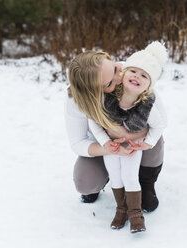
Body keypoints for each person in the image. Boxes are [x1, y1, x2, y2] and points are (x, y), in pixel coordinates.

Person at [65, 45, 165, 214]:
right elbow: (77, 143)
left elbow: (161, 121)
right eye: (110, 82)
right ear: (96, 93)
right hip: (104, 144)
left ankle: (146, 182)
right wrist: (107, 147)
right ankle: (104, 178)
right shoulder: (77, 102)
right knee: (85, 182)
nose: (120, 77)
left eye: (114, 68)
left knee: (156, 140)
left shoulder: (134, 71)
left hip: (138, 138)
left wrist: (129, 135)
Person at [88, 41, 168, 233]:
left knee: (130, 177)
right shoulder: (107, 98)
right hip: (112, 147)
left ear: (149, 86)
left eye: (144, 76)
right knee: (116, 177)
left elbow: (159, 126)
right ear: (123, 74)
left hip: (132, 147)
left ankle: (135, 214)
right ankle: (121, 209)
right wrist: (106, 142)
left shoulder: (147, 106)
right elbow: (94, 122)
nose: (137, 77)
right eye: (133, 71)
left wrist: (147, 144)